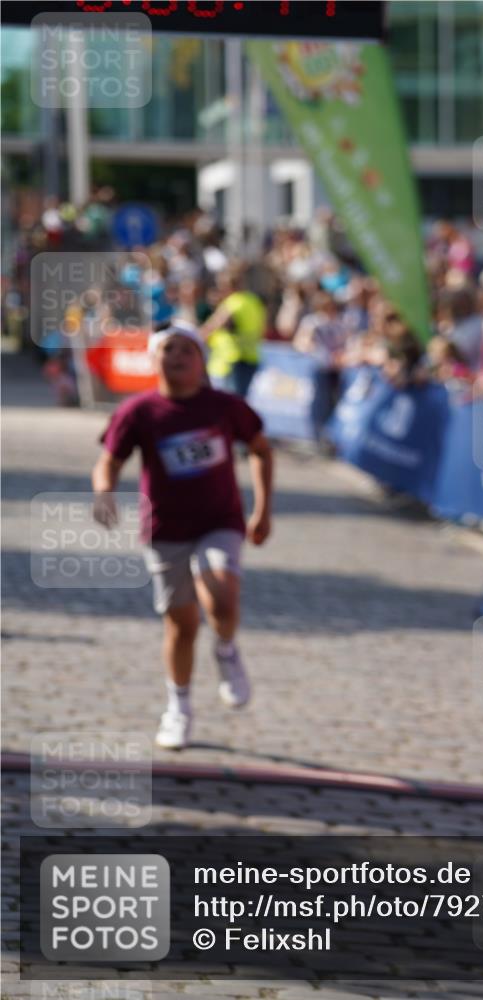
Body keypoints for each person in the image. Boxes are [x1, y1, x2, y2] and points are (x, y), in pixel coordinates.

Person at [91, 321, 273, 750]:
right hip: (165, 529)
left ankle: (226, 650)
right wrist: (103, 492)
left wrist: (263, 509)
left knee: (223, 598)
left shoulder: (224, 407)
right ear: (152, 360)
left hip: (219, 521)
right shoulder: (138, 412)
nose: (177, 358)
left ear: (202, 360)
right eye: (168, 350)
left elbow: (262, 450)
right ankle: (179, 707)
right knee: (182, 625)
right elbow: (109, 460)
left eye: (186, 350)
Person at [200, 268, 267, 397]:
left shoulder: (233, 303)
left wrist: (193, 337)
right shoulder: (253, 301)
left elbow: (214, 326)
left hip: (231, 359)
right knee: (239, 402)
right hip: (251, 357)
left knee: (228, 403)